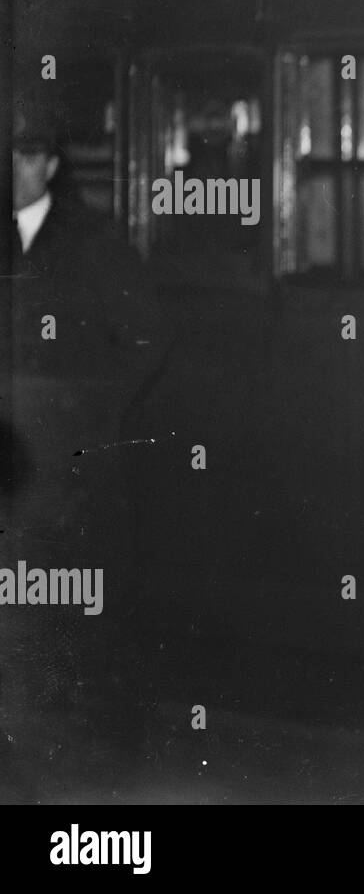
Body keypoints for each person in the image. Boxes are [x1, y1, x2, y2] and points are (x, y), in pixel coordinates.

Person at [1, 88, 172, 793]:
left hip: (69, 466)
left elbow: (147, 338)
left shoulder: (94, 242)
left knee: (79, 614)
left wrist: (85, 415)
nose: (14, 170)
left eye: (24, 156)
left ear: (47, 164)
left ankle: (92, 763)